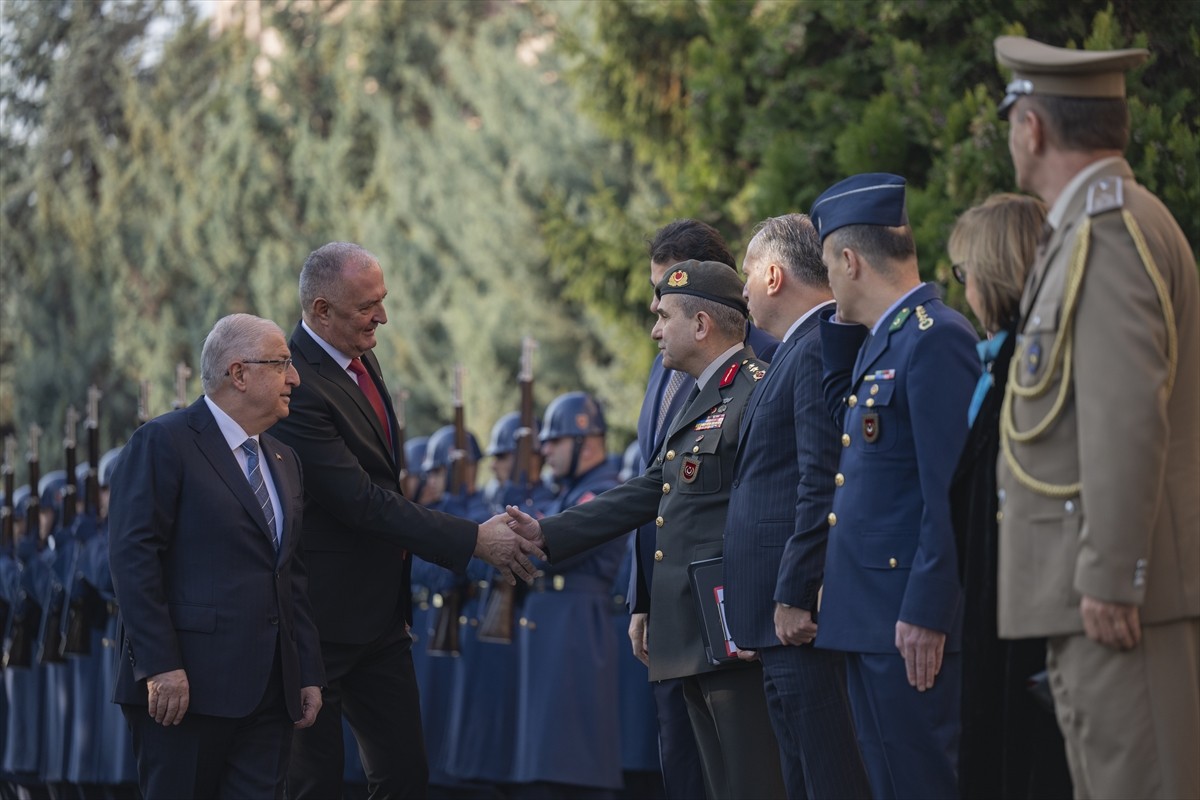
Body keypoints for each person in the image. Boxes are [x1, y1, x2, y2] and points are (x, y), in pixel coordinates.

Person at [993, 36, 1200, 800]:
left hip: (1115, 599)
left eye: (1012, 115)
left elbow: (1125, 416)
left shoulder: (1109, 233)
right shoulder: (1087, 230)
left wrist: (1114, 575)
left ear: (1034, 128)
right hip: (1096, 592)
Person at [268, 241, 542, 799]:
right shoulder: (298, 384)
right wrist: (472, 539)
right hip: (318, 623)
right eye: (367, 306)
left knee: (405, 776)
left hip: (379, 623)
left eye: (382, 300)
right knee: (313, 782)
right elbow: (361, 501)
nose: (383, 317)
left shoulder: (359, 358)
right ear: (321, 311)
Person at [508, 261, 786, 800]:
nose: (655, 330)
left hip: (731, 627)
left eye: (664, 317)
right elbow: (649, 490)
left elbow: (770, 514)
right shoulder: (703, 398)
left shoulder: (756, 391)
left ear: (701, 325)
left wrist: (757, 611)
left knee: (753, 782)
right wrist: (545, 534)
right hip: (692, 632)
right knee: (719, 783)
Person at [811, 173, 980, 800]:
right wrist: (837, 327)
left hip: (908, 624)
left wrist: (927, 610)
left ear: (850, 260)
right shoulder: (884, 344)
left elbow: (953, 495)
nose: (828, 282)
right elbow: (848, 430)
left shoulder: (936, 341)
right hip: (870, 619)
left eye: (829, 266)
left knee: (922, 783)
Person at [108, 313, 325, 798]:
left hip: (270, 694)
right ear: (239, 373)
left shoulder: (285, 462)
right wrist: (160, 664)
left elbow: (291, 575)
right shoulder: (164, 442)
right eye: (282, 364)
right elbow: (133, 559)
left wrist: (307, 670)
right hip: (186, 692)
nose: (295, 377)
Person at [723, 213, 871, 799]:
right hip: (774, 618)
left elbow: (818, 479)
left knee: (826, 775)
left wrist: (794, 591)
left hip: (796, 617)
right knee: (802, 777)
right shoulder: (795, 350)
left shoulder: (812, 348)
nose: (745, 290)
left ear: (775, 274)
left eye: (749, 275)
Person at [632, 219, 778, 800]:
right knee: (688, 767)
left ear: (702, 315)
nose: (652, 316)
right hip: (669, 607)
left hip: (725, 612)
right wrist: (641, 596)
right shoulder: (668, 367)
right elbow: (655, 486)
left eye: (662, 298)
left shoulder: (760, 365)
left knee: (744, 774)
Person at [944, 193, 1073, 800]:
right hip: (993, 613)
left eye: (964, 274)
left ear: (991, 274)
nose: (962, 288)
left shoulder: (1031, 364)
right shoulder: (999, 364)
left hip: (1030, 621)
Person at [510, 391, 626, 799]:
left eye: (554, 441)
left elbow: (550, 549)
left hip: (577, 631)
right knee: (547, 768)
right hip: (557, 630)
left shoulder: (601, 493)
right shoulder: (567, 493)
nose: (545, 450)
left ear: (586, 442)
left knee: (573, 766)